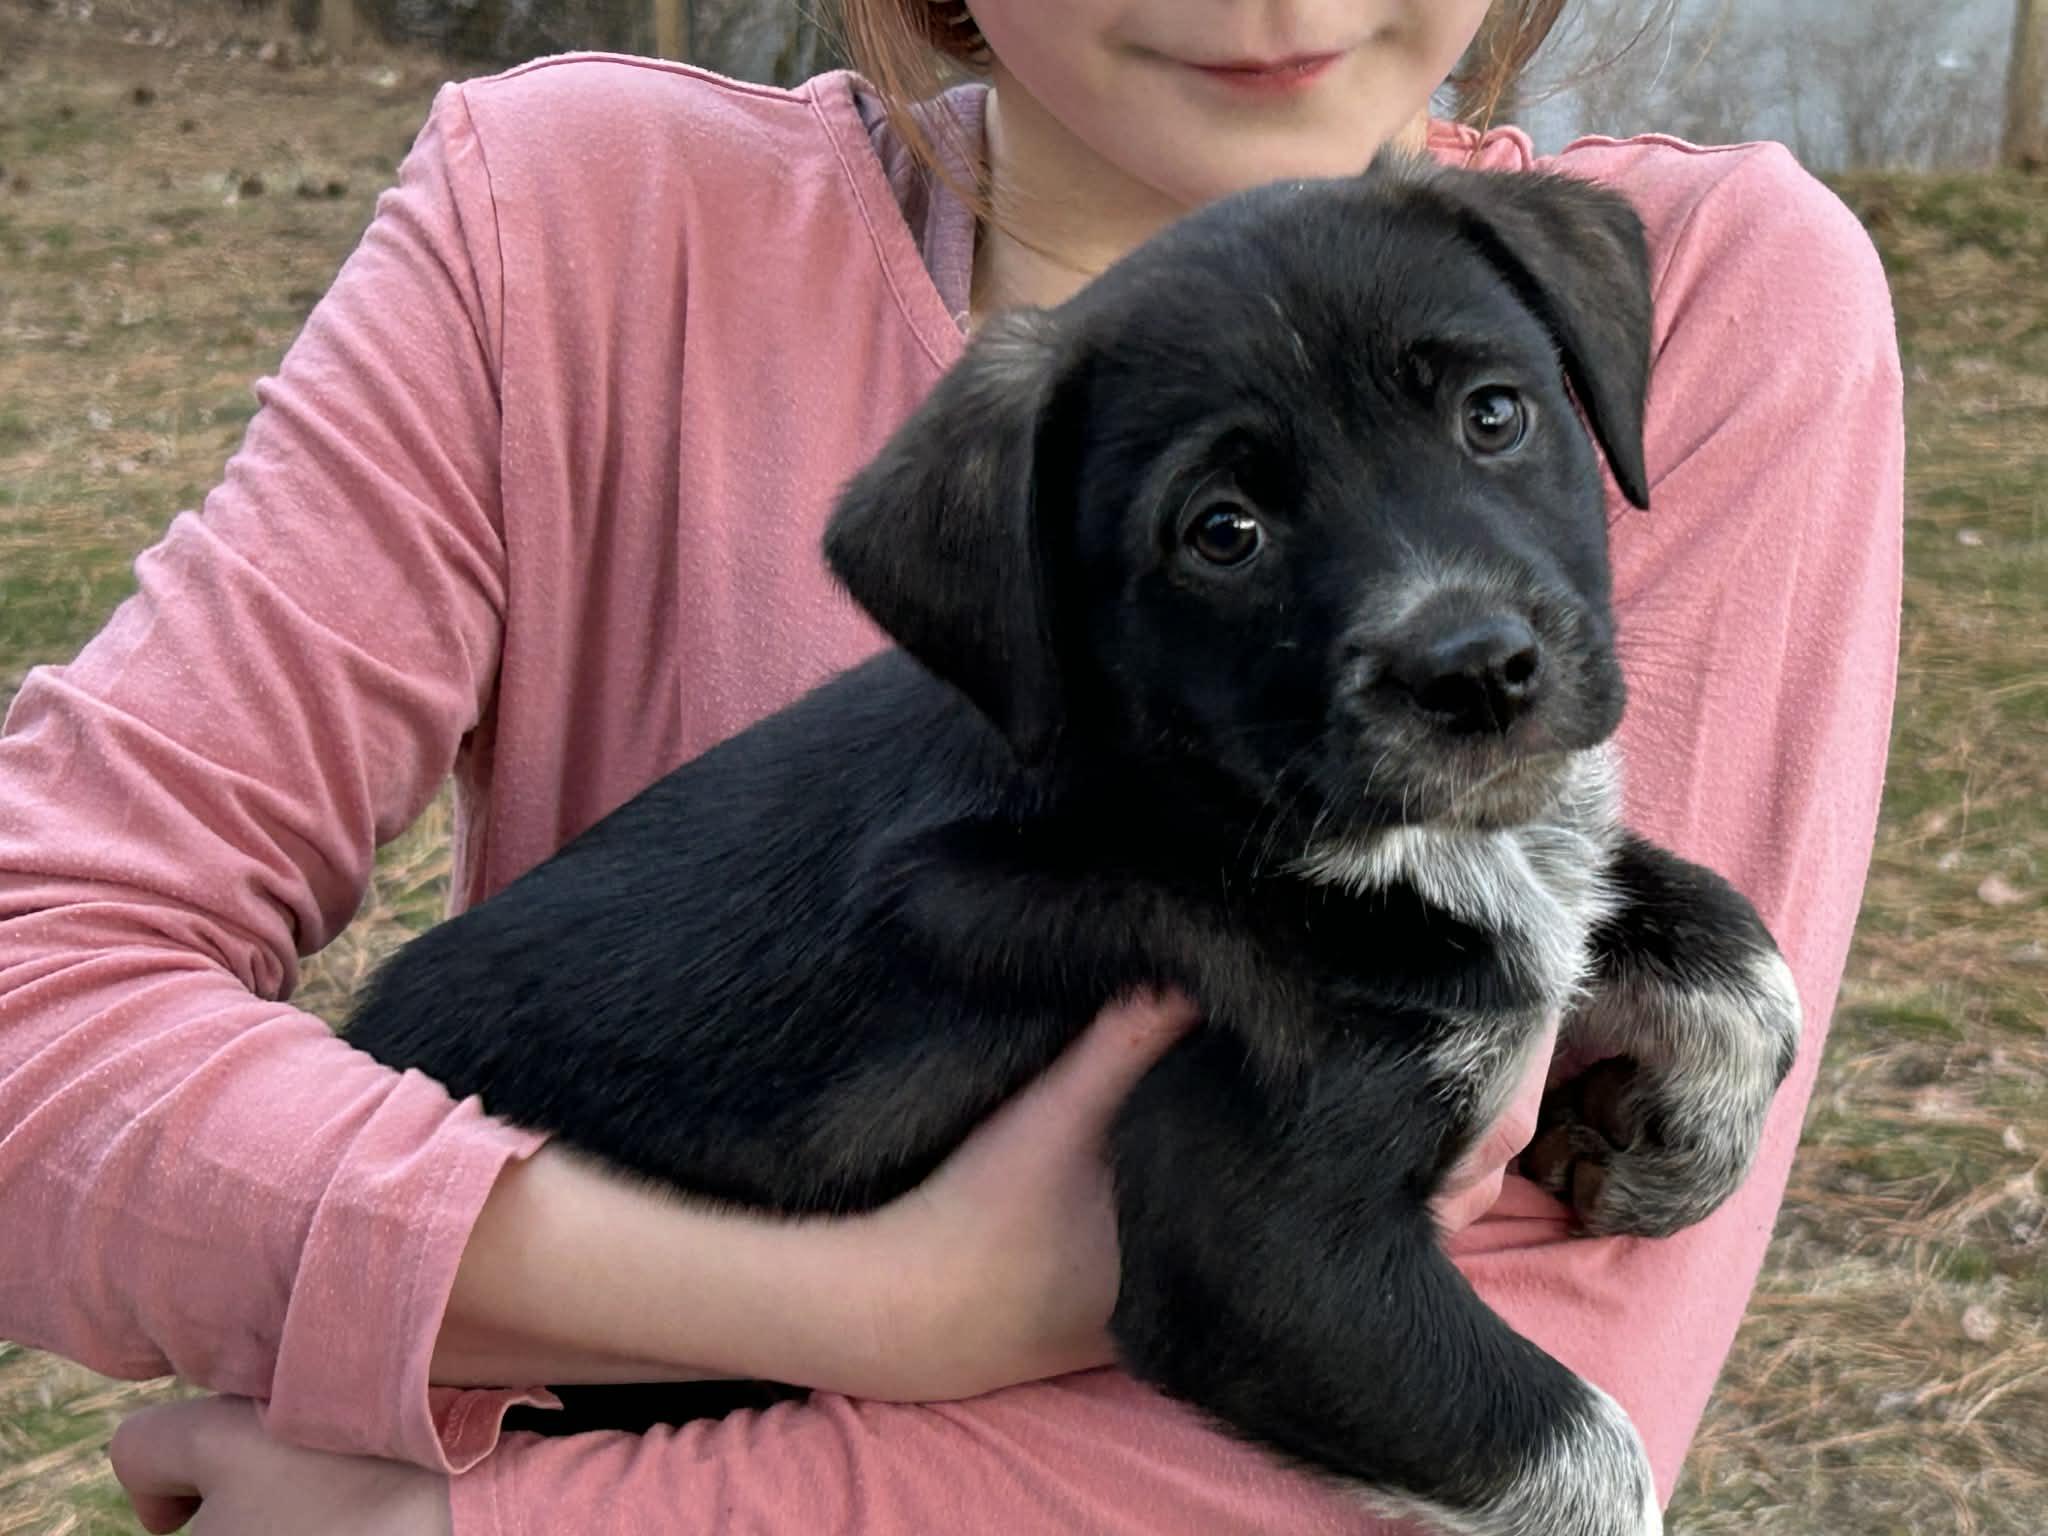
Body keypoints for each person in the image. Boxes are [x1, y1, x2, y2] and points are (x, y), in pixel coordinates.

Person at [0, 1, 1903, 1531]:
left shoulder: (1712, 285)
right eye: (1219, 537)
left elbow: (1536, 1345)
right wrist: (890, 1316)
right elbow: (38, 1014)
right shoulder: (576, 223)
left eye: (1495, 419)